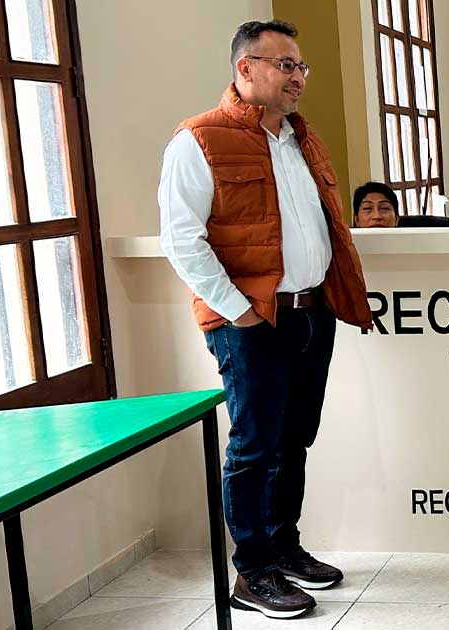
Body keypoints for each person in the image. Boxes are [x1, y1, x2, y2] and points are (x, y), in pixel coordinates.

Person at [158, 19, 372, 619]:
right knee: (253, 447)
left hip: (310, 313)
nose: (297, 77)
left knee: (293, 438)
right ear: (244, 68)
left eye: (301, 66)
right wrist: (240, 313)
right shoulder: (199, 140)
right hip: (252, 322)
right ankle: (251, 572)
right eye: (285, 65)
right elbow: (182, 240)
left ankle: (283, 546)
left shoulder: (300, 139)